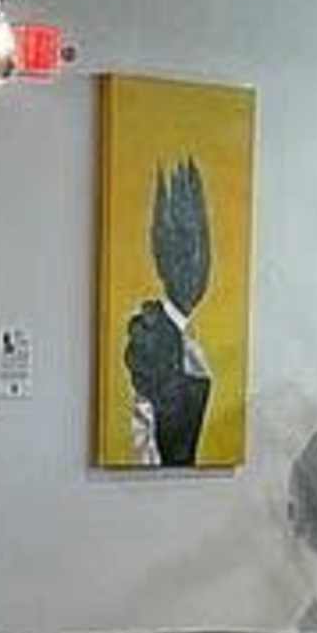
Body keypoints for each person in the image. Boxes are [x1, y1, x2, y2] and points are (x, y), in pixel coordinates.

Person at [118, 156, 214, 467]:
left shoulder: (185, 334)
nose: (199, 263)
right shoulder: (151, 337)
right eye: (189, 249)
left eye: (203, 246)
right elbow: (147, 443)